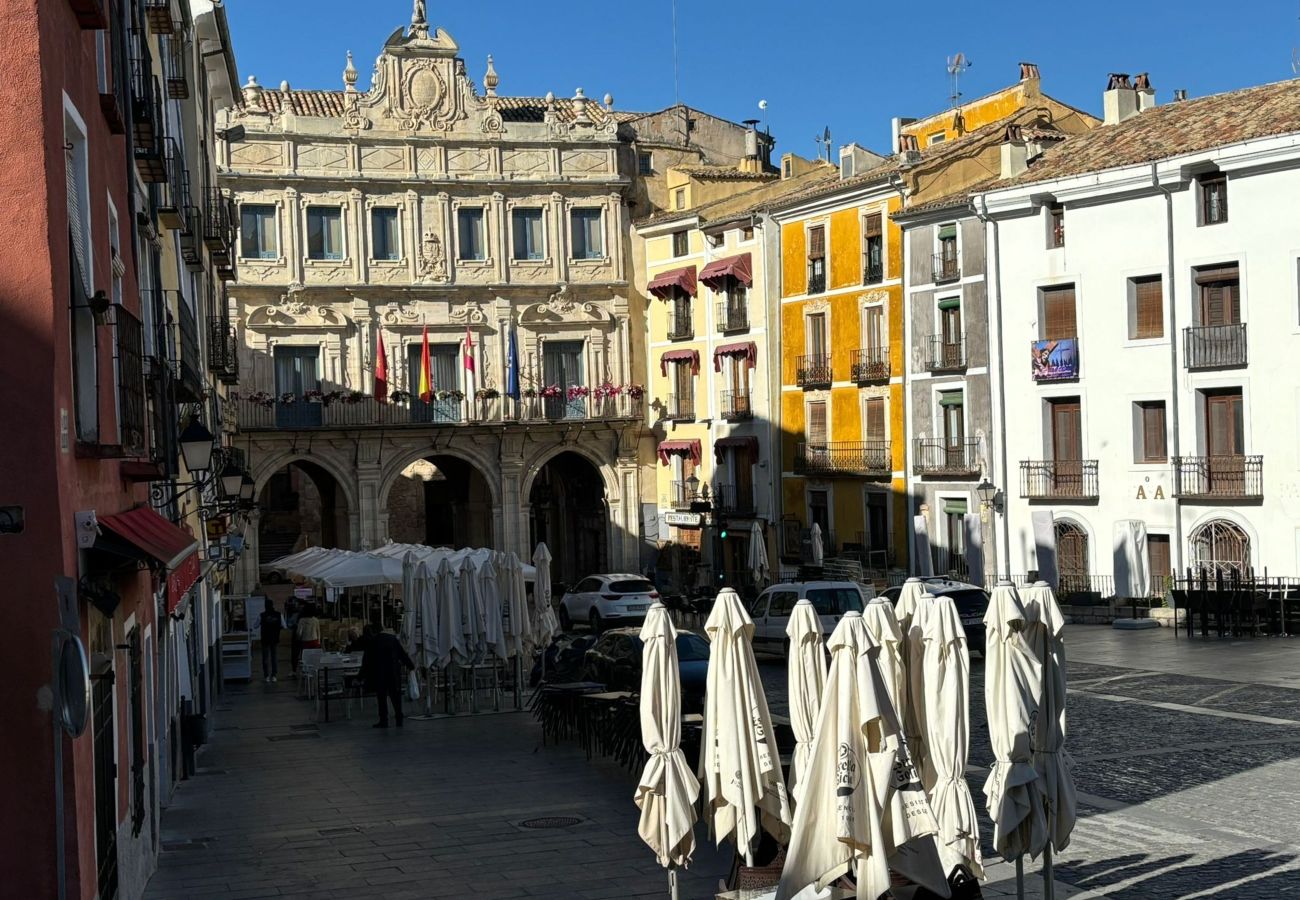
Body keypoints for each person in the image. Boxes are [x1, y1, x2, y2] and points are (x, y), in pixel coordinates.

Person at [360, 612, 414, 728]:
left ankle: (383, 720)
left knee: (381, 697)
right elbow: (402, 654)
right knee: (395, 696)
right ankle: (399, 717)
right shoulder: (392, 639)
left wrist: (360, 676)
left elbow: (366, 661)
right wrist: (411, 666)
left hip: (379, 674)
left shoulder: (372, 642)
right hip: (393, 672)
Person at [258, 601, 283, 683]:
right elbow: (284, 625)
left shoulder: (262, 615)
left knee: (265, 658)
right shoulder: (278, 615)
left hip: (265, 639)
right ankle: (274, 675)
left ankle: (266, 676)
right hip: (275, 638)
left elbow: (255, 625)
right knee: (274, 657)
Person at [285, 598, 302, 674]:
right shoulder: (298, 613)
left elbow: (289, 624)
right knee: (297, 652)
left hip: (296, 634)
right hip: (300, 634)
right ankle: (296, 669)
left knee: (295, 653)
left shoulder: (292, 613)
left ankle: (294, 669)